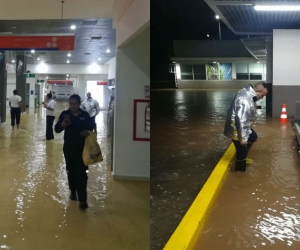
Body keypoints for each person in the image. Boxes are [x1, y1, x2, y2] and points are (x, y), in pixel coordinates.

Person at [54, 94, 94, 209]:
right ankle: (73, 191)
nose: (72, 106)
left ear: (79, 103)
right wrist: (62, 124)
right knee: (70, 171)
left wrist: (87, 132)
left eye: (75, 104)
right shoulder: (64, 115)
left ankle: (83, 199)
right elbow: (56, 129)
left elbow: (92, 128)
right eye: (71, 104)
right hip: (69, 148)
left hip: (83, 149)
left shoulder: (85, 115)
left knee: (82, 173)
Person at [224, 82, 268, 172]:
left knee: (253, 136)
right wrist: (243, 138)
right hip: (237, 128)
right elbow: (241, 119)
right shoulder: (245, 99)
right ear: (257, 90)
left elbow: (253, 104)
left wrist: (258, 110)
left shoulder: (247, 93)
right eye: (262, 95)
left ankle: (242, 155)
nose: (262, 97)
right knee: (242, 152)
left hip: (238, 126)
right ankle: (239, 173)